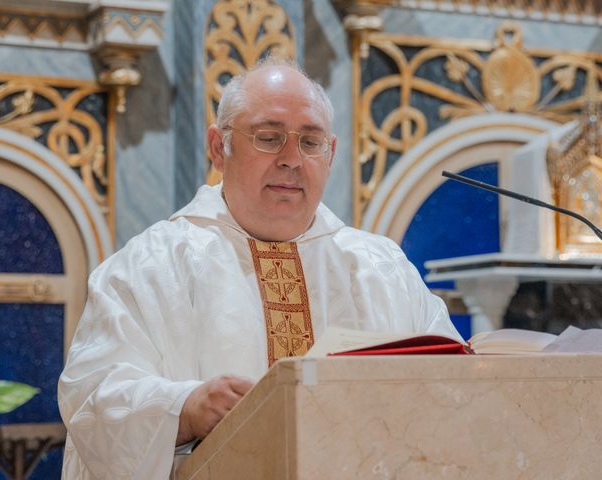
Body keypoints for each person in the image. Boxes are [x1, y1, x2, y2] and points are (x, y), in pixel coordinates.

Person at [58, 58, 461, 479]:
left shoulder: (383, 269)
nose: (291, 159)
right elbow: (92, 397)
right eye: (269, 138)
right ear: (219, 148)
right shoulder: (148, 267)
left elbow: (453, 388)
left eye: (310, 142)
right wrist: (185, 407)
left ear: (331, 153)